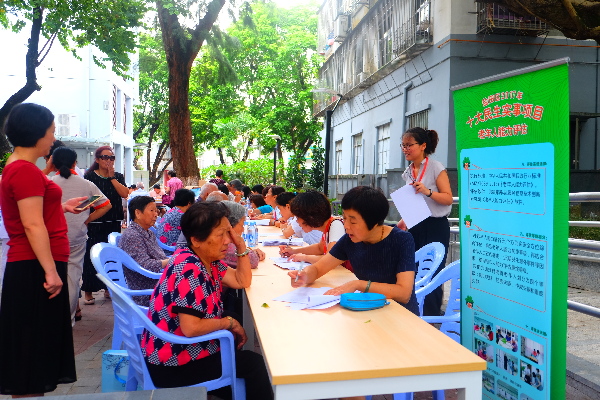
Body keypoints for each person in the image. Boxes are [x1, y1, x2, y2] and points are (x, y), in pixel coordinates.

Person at [140, 202, 273, 400]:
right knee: (255, 365)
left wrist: (241, 246)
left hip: (176, 349)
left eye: (228, 232)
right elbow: (191, 328)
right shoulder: (189, 269)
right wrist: (228, 323)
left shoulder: (205, 259)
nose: (227, 241)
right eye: (221, 234)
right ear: (196, 240)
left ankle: (232, 387)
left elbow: (241, 280)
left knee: (232, 315)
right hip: (173, 364)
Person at [0, 103, 85, 396]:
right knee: (30, 355)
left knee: (35, 354)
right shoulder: (24, 170)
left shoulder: (22, 169)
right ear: (36, 132)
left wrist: (61, 207)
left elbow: (33, 213)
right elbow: (32, 224)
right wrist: (50, 271)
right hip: (34, 267)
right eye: (51, 131)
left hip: (35, 264)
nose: (53, 138)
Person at [289, 186, 419, 315]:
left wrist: (358, 284)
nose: (346, 226)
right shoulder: (349, 240)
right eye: (345, 218)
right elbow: (318, 269)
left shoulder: (401, 240)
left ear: (373, 222)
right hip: (367, 309)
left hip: (400, 314)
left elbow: (404, 293)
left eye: (353, 222)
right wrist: (304, 276)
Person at [51, 146, 112, 324]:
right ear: (75, 163)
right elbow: (105, 205)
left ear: (53, 164)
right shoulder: (86, 185)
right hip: (76, 236)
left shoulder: (49, 183)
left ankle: (51, 319)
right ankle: (68, 320)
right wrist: (87, 219)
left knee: (51, 277)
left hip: (51, 238)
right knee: (72, 279)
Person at [397, 127, 453, 317]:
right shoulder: (408, 172)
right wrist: (404, 220)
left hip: (435, 226)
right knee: (411, 270)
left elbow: (448, 198)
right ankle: (414, 311)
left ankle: (432, 315)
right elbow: (414, 202)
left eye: (409, 145)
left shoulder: (435, 167)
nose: (405, 149)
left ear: (423, 146)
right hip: (415, 224)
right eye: (403, 145)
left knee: (433, 271)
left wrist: (428, 191)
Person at [82, 145, 129, 304]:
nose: (108, 160)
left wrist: (112, 177)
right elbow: (87, 200)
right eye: (105, 157)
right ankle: (88, 290)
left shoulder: (117, 176)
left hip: (113, 222)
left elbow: (124, 194)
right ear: (97, 159)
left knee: (111, 257)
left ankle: (109, 288)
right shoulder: (89, 177)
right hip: (96, 221)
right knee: (91, 256)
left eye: (111, 157)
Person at [118, 196, 170, 306]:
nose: (156, 214)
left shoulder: (148, 232)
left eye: (156, 211)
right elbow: (145, 265)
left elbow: (159, 257)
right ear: (138, 213)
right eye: (152, 210)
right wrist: (171, 261)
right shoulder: (132, 236)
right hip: (147, 290)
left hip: (157, 281)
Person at [279, 190, 345, 265]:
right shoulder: (328, 226)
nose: (296, 221)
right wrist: (294, 251)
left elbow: (331, 260)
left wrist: (305, 258)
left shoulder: (336, 225)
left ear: (309, 217)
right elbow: (319, 248)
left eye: (297, 217)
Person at [221, 201, 265, 269]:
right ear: (230, 226)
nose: (243, 229)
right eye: (242, 224)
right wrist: (250, 252)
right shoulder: (223, 245)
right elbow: (252, 261)